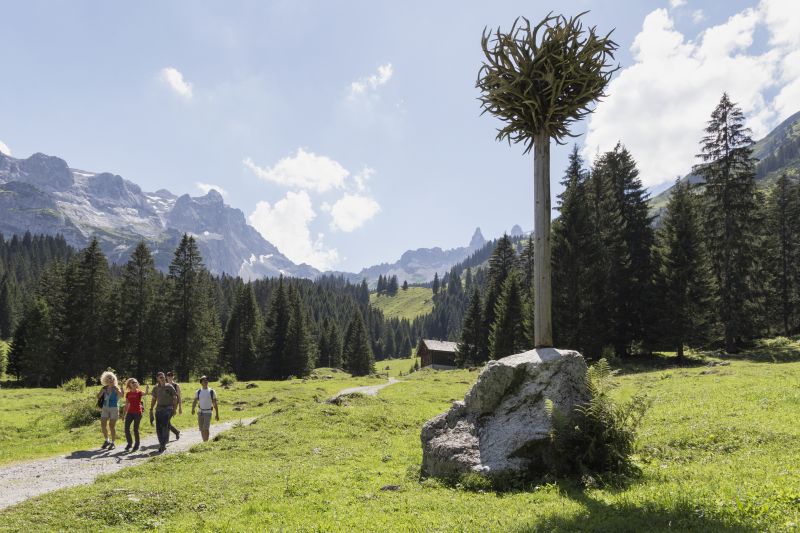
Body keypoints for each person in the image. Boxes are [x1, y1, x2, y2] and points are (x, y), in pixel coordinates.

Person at [149, 372, 177, 453]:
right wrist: (151, 409)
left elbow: (175, 398)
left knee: (165, 425)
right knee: (158, 428)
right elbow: (154, 399)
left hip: (168, 408)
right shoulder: (155, 388)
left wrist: (174, 409)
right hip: (159, 409)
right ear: (157, 379)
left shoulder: (170, 386)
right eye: (160, 377)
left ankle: (163, 444)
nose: (162, 378)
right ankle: (161, 443)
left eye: (163, 377)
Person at [96, 371, 123, 450]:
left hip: (114, 408)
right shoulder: (104, 388)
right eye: (108, 378)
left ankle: (113, 442)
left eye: (111, 378)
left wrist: (118, 389)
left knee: (112, 426)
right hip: (105, 408)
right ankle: (107, 440)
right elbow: (98, 397)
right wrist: (101, 393)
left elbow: (121, 395)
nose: (110, 380)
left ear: (114, 379)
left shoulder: (116, 388)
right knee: (103, 424)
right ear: (105, 380)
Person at [191, 376, 219, 442]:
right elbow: (195, 401)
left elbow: (215, 403)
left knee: (205, 428)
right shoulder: (198, 391)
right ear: (201, 382)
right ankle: (204, 441)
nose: (206, 381)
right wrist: (193, 409)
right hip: (200, 412)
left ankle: (206, 442)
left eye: (207, 380)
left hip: (208, 412)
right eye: (204, 380)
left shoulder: (212, 391)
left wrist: (217, 414)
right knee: (201, 429)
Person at [122, 378, 145, 452]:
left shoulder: (139, 392)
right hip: (130, 412)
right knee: (126, 428)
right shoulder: (128, 394)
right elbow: (126, 404)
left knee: (135, 429)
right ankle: (129, 443)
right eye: (133, 382)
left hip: (138, 412)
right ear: (129, 384)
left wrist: (147, 389)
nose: (134, 383)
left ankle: (137, 445)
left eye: (135, 382)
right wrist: (123, 414)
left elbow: (146, 393)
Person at [166, 371, 182, 440]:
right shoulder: (165, 385)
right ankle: (176, 432)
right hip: (166, 405)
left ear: (173, 377)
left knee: (166, 421)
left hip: (173, 406)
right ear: (166, 377)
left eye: (171, 376)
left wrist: (180, 408)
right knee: (166, 421)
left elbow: (179, 397)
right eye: (168, 376)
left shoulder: (176, 385)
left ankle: (166, 438)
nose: (170, 377)